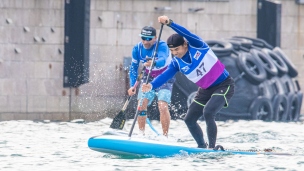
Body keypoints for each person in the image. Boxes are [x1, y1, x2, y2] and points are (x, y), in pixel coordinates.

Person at [142, 16, 235, 148]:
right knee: (189, 119)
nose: (175, 53)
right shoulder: (176, 63)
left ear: (185, 44)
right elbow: (164, 76)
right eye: (172, 51)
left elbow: (186, 33)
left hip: (224, 84)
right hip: (205, 90)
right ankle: (202, 146)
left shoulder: (198, 45)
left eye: (177, 49)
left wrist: (170, 23)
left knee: (208, 112)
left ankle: (212, 148)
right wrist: (151, 85)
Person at [128, 26, 175, 136]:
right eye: (143, 38)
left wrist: (153, 63)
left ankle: (165, 137)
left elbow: (163, 60)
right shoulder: (137, 49)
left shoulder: (162, 46)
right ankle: (141, 134)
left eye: (149, 39)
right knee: (141, 104)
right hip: (148, 77)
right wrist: (132, 86)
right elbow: (133, 68)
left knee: (162, 106)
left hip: (165, 77)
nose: (145, 41)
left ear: (155, 38)